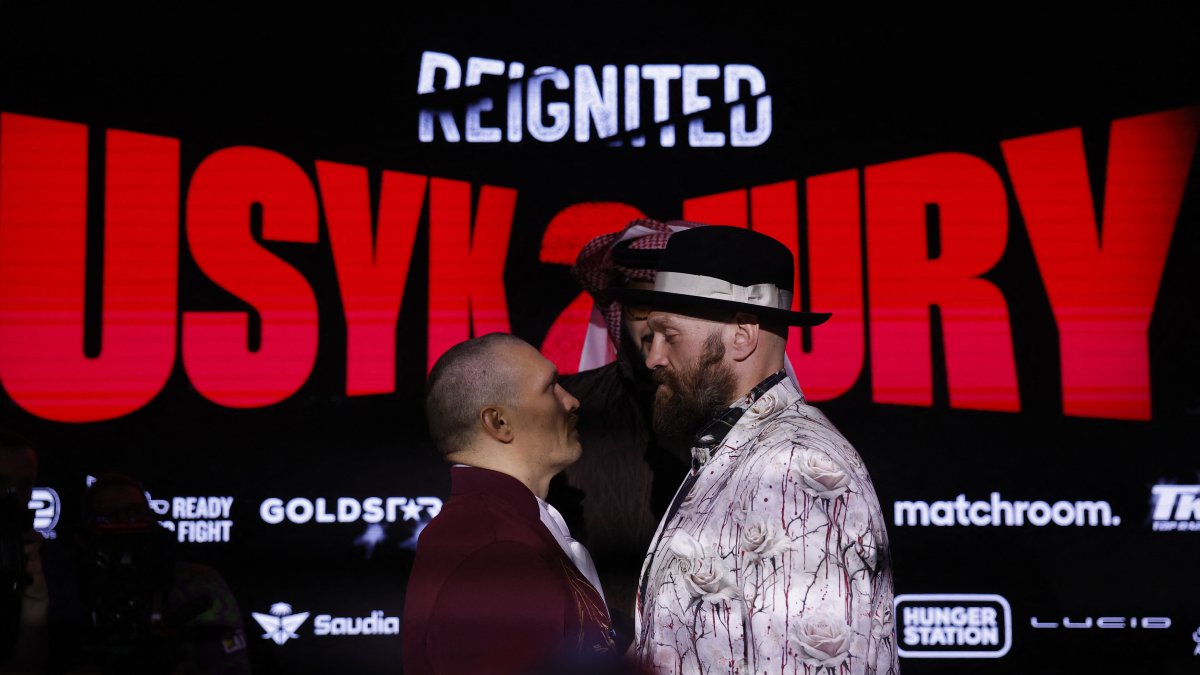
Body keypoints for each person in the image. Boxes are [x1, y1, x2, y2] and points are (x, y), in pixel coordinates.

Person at [629, 226, 898, 675]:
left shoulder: (796, 467)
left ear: (742, 336)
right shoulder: (737, 449)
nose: (652, 358)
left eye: (669, 336)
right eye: (649, 338)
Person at [404, 333, 617, 675]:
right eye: (551, 387)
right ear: (498, 423)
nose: (572, 401)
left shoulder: (505, 526)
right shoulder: (496, 549)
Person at [547, 219, 700, 628]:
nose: (656, 323)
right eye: (641, 304)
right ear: (618, 312)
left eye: (676, 303)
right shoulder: (564, 408)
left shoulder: (757, 422)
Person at [0, 431, 48, 672]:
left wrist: (34, 614)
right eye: (0, 482)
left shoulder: (41, 561)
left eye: (24, 485)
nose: (11, 495)